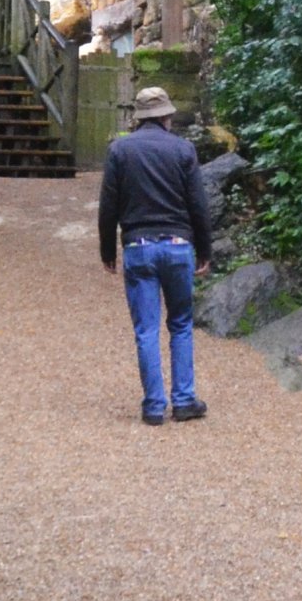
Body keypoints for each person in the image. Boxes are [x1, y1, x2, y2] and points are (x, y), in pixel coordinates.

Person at [97, 85, 211, 426]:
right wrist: (204, 250)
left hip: (138, 248)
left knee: (146, 329)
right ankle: (184, 399)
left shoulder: (119, 150)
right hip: (178, 246)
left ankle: (153, 405)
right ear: (166, 116)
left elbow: (108, 208)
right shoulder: (183, 150)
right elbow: (198, 207)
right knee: (180, 324)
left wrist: (107, 251)